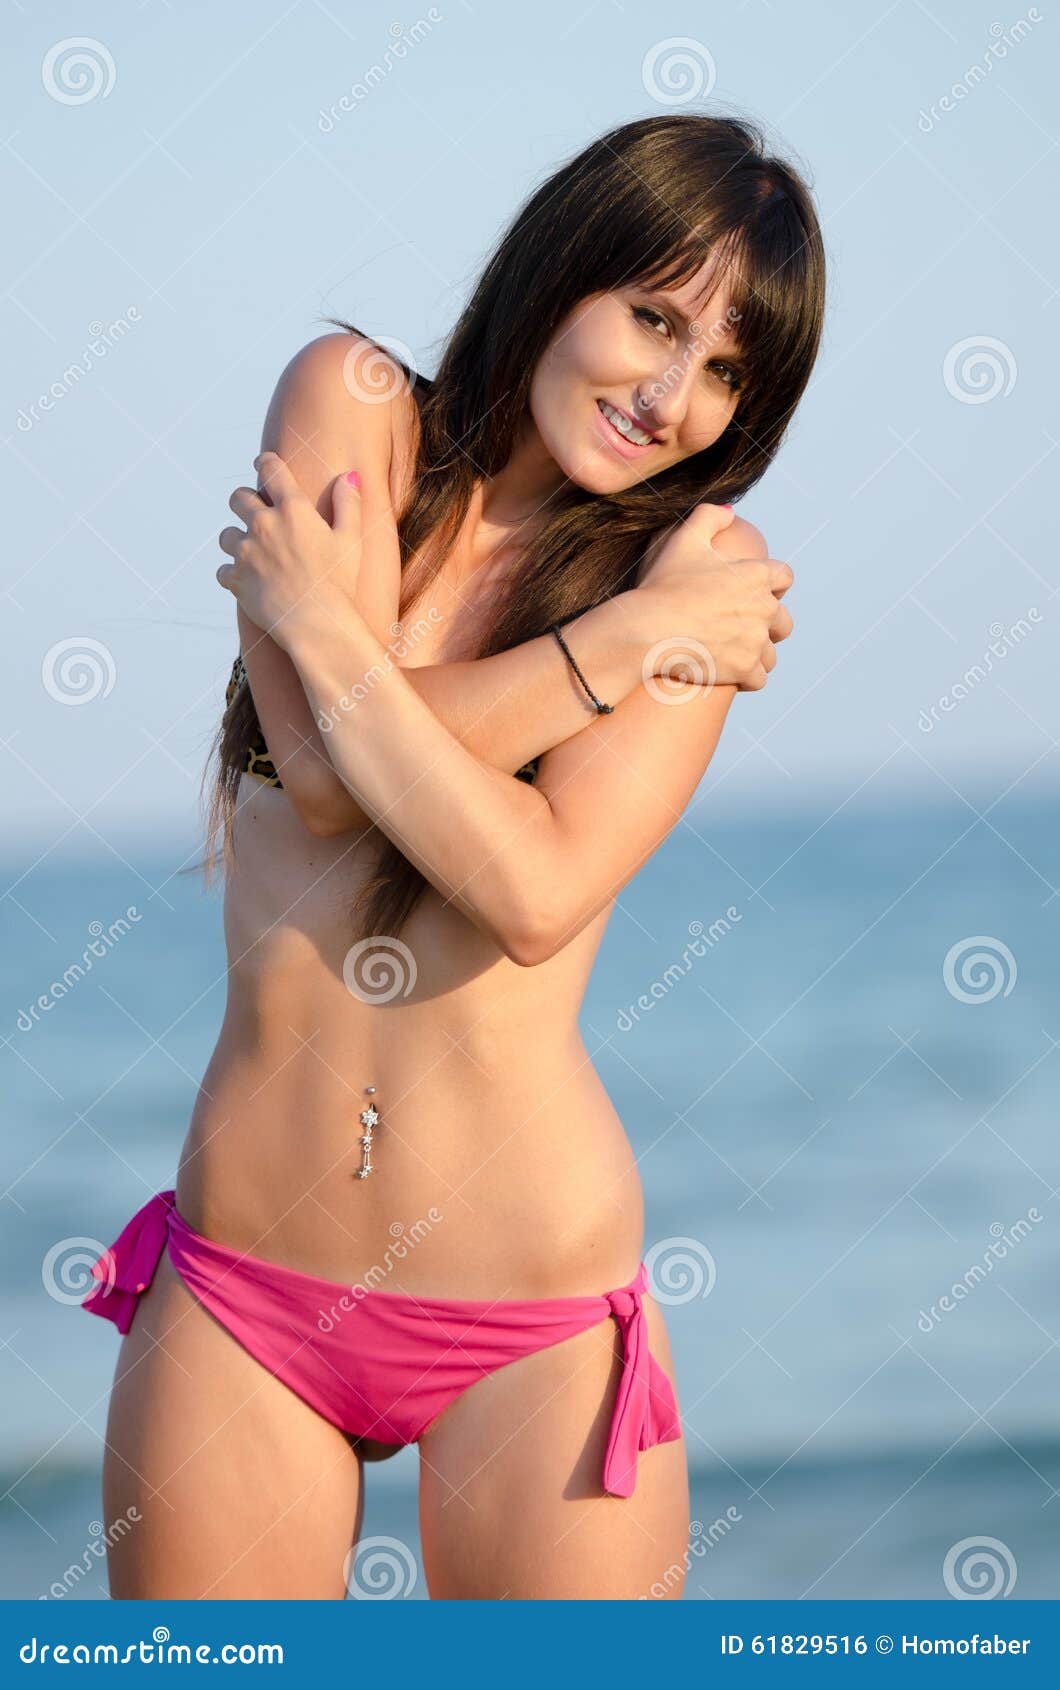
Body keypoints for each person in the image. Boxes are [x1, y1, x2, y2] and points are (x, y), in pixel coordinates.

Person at [83, 113, 824, 1600]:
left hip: (534, 1314)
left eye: (728, 369)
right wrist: (617, 651)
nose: (671, 395)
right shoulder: (355, 403)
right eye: (655, 320)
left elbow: (538, 888)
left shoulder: (700, 573)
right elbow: (324, 782)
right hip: (248, 1288)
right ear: (568, 265)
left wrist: (326, 627)